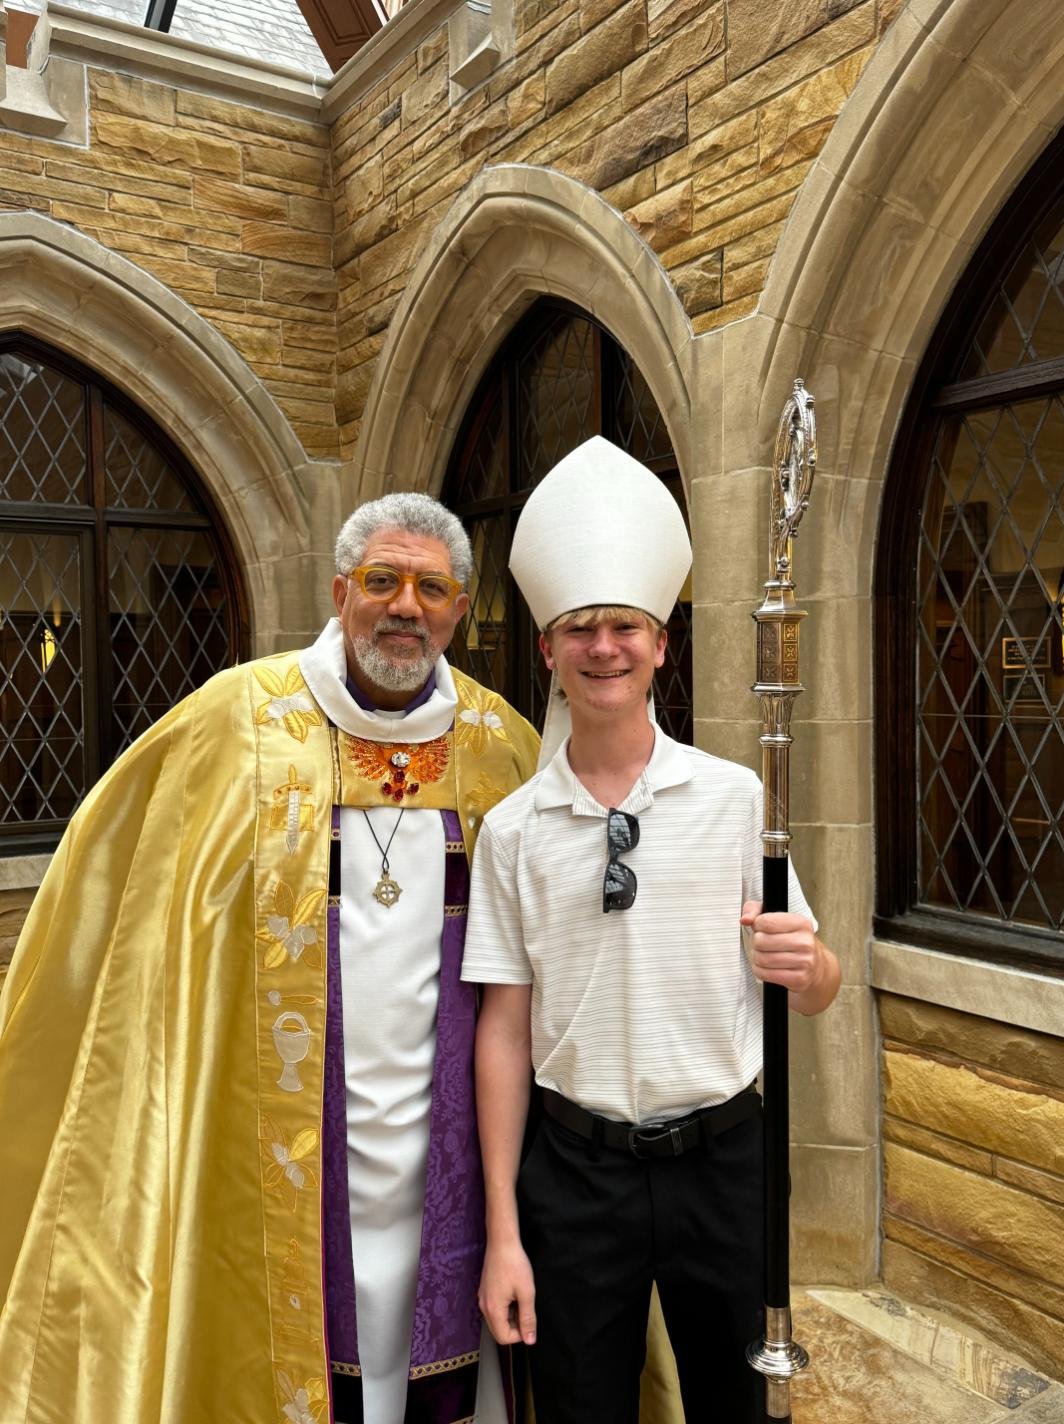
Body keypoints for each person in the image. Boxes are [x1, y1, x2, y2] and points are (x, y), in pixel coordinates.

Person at [0, 492, 539, 1424]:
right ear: (340, 593)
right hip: (285, 1130)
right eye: (381, 581)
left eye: (431, 587)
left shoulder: (501, 748)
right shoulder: (237, 722)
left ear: (457, 609)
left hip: (446, 1134)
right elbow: (122, 890)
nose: (404, 606)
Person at [461, 437, 841, 1424]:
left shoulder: (736, 796)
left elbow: (818, 980)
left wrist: (810, 961)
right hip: (576, 1174)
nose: (603, 647)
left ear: (661, 643)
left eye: (624, 626)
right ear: (547, 646)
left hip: (726, 1164)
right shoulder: (512, 831)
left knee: (737, 1406)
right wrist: (504, 1226)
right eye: (580, 627)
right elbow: (503, 1028)